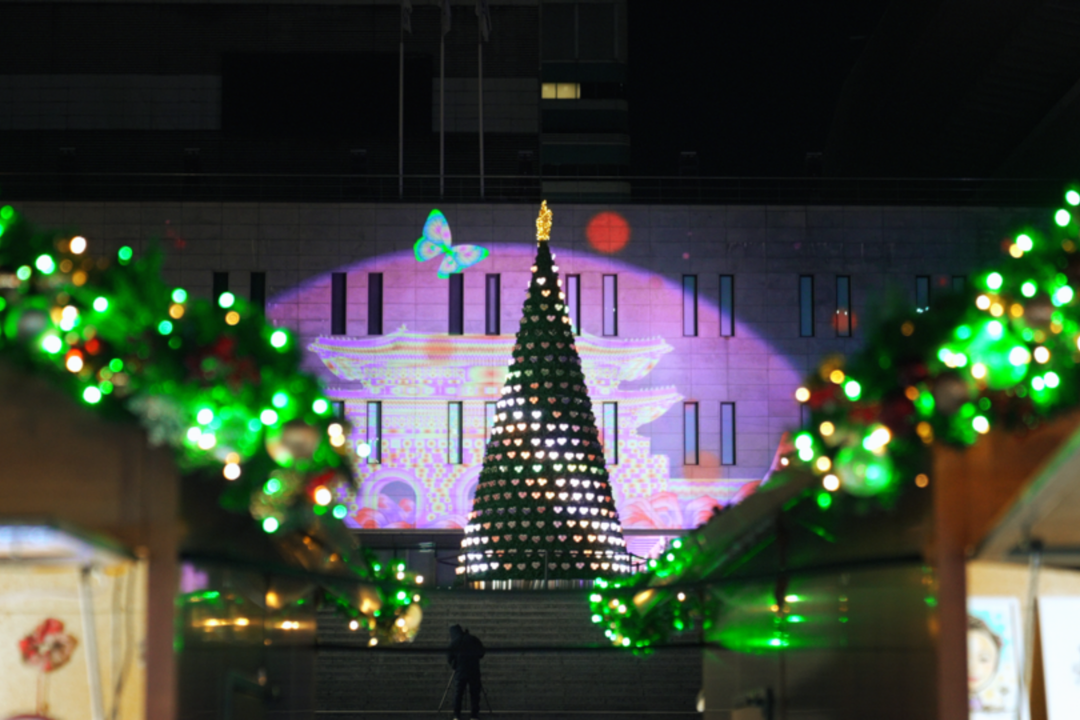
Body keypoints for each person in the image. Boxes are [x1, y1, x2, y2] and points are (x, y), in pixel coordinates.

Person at [448, 624, 485, 719]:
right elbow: (481, 652)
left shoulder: (454, 643)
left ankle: (456, 715)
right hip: (474, 671)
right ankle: (474, 715)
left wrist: (455, 664)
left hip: (460, 672)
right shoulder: (473, 639)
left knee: (458, 694)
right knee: (474, 694)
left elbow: (449, 659)